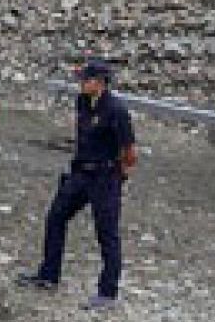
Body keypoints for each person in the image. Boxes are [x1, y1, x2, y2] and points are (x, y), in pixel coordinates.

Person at [18, 60, 137, 309]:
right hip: (81, 172)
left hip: (105, 176)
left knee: (107, 233)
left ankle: (107, 292)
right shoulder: (82, 102)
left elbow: (129, 151)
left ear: (100, 82)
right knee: (56, 217)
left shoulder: (117, 111)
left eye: (86, 79)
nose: (81, 83)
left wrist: (120, 175)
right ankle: (48, 274)